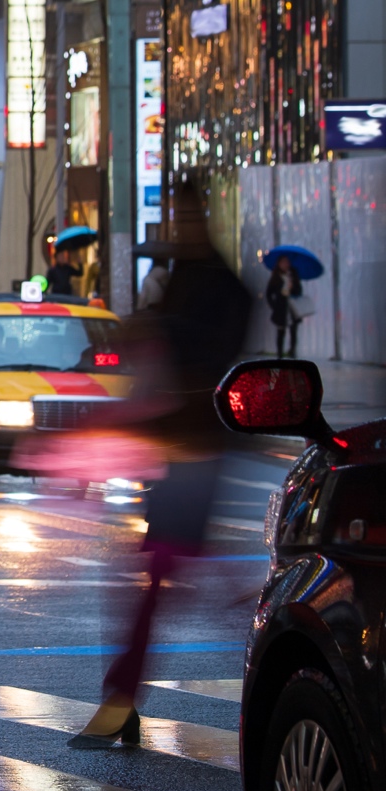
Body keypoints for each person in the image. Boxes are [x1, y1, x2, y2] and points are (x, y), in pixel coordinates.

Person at [69, 180, 251, 748]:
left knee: (163, 581)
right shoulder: (188, 280)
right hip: (174, 451)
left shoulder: (219, 286)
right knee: (174, 578)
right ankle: (122, 700)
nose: (179, 223)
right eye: (176, 213)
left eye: (184, 212)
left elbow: (208, 354)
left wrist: (159, 331)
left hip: (196, 449)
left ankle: (121, 701)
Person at [266, 254, 305, 358]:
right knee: (281, 331)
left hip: (291, 307)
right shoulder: (275, 277)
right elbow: (269, 293)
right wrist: (274, 306)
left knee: (293, 330)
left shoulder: (293, 274)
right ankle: (280, 354)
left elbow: (299, 290)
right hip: (281, 307)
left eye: (287, 262)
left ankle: (292, 351)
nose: (285, 264)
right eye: (283, 262)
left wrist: (292, 287)